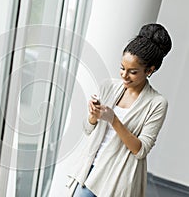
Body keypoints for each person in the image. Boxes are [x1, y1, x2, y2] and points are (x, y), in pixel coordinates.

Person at [66, 23, 172, 197]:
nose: (124, 75)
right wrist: (93, 116)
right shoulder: (108, 87)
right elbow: (87, 129)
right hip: (89, 167)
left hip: (118, 176)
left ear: (150, 70)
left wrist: (113, 120)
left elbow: (140, 150)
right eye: (122, 68)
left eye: (133, 72)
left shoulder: (157, 103)